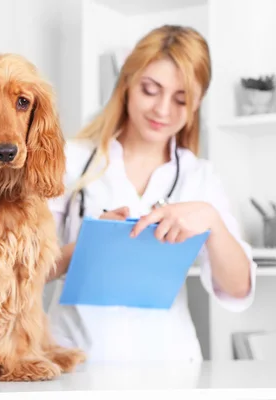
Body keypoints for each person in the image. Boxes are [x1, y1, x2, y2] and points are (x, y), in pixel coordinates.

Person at [44, 25, 257, 363]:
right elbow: (22, 270)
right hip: (73, 360)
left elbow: (238, 289)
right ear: (127, 82)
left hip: (170, 367)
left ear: (197, 104)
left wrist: (211, 221)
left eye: (181, 99)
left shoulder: (199, 177)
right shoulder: (70, 160)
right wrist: (88, 245)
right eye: (150, 90)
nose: (162, 110)